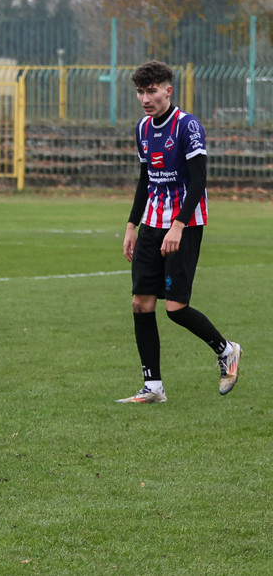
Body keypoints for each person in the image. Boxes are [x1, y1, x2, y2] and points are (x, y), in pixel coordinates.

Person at [118, 60, 241, 404]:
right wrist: (132, 225)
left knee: (174, 308)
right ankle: (153, 386)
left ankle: (227, 350)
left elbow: (199, 180)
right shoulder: (143, 128)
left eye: (152, 90)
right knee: (141, 303)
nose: (146, 98)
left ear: (168, 90)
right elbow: (145, 180)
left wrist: (179, 225)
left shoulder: (188, 126)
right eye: (141, 92)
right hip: (152, 224)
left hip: (183, 224)